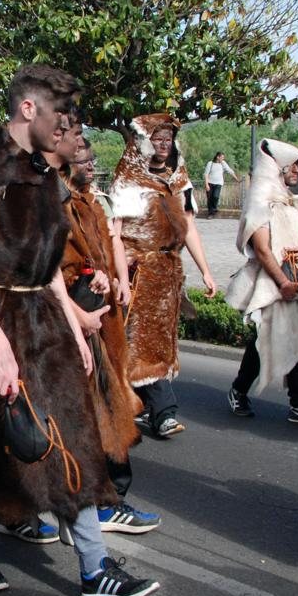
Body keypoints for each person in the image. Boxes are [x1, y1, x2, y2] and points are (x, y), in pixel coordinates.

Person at [0, 64, 159, 596]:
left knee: (73, 434)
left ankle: (95, 571)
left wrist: (73, 323)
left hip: (42, 318)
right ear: (29, 108)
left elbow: (46, 260)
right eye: (60, 115)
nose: (67, 127)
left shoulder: (42, 170)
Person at [62, 135, 162, 535]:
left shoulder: (93, 202)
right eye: (82, 159)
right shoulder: (57, 203)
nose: (90, 165)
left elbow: (110, 243)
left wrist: (119, 279)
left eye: (91, 158)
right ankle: (96, 504)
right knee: (89, 411)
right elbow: (48, 269)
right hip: (76, 320)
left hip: (102, 320)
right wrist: (81, 293)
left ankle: (104, 500)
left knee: (110, 402)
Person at [109, 114, 218, 438]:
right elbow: (115, 233)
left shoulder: (177, 178)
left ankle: (141, 405)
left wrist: (206, 271)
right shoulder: (128, 179)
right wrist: (122, 279)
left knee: (158, 343)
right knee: (144, 342)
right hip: (138, 270)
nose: (163, 143)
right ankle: (164, 412)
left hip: (169, 272)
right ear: (143, 142)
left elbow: (188, 227)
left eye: (168, 138)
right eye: (157, 138)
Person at [225, 139, 298, 424]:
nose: (297, 170)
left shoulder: (288, 197)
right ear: (277, 166)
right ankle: (238, 390)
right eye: (292, 164)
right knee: (265, 341)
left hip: (297, 280)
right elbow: (261, 249)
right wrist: (282, 282)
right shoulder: (260, 198)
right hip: (271, 283)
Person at [202, 151, 241, 217]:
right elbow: (206, 174)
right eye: (222, 157)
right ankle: (210, 214)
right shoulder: (210, 163)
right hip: (210, 183)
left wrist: (236, 179)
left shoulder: (223, 163)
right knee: (210, 198)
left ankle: (214, 209)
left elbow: (229, 170)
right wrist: (206, 184)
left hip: (218, 183)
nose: (223, 159)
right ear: (218, 157)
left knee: (216, 196)